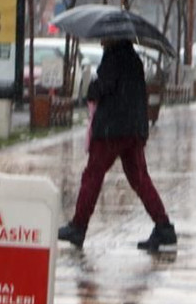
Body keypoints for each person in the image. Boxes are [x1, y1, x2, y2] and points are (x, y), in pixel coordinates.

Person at [58, 39, 177, 252]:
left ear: (112, 38)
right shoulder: (134, 59)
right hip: (133, 129)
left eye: (104, 37)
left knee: (93, 175)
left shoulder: (112, 59)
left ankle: (78, 226)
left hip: (112, 130)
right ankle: (163, 226)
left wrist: (92, 87)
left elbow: (100, 89)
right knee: (140, 179)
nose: (102, 40)